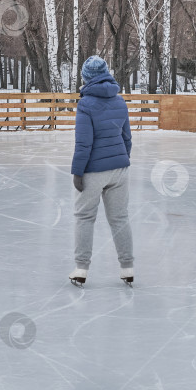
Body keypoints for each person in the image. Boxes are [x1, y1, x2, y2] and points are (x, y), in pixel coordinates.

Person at [69, 56, 134, 287]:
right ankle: (127, 267)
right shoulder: (120, 101)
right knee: (120, 219)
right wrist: (122, 160)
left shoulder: (85, 104)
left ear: (86, 78)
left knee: (84, 217)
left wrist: (77, 171)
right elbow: (127, 138)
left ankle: (81, 269)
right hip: (119, 170)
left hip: (93, 171)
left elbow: (83, 143)